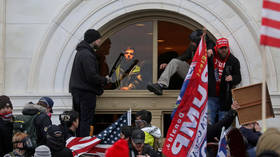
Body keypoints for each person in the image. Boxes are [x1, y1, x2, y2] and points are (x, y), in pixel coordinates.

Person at [69, 29, 112, 137]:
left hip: (78, 92)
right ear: (93, 40)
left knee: (79, 121)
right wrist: (105, 80)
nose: (99, 42)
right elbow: (91, 76)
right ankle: (83, 145)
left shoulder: (81, 53)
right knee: (85, 122)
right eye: (98, 39)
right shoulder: (87, 55)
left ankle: (79, 144)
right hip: (86, 94)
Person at [147, 29, 215, 95]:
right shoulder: (192, 47)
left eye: (193, 41)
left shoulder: (210, 44)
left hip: (204, 78)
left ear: (199, 41)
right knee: (175, 61)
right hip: (194, 74)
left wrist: (209, 52)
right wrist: (169, 65)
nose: (191, 43)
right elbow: (183, 57)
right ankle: (160, 85)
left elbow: (212, 53)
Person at [207, 37, 241, 125]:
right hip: (211, 95)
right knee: (209, 122)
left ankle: (222, 139)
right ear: (217, 48)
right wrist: (207, 54)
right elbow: (206, 39)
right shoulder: (211, 55)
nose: (224, 50)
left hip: (225, 98)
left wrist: (232, 78)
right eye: (221, 48)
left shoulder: (233, 61)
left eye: (225, 48)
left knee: (224, 124)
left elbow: (238, 77)